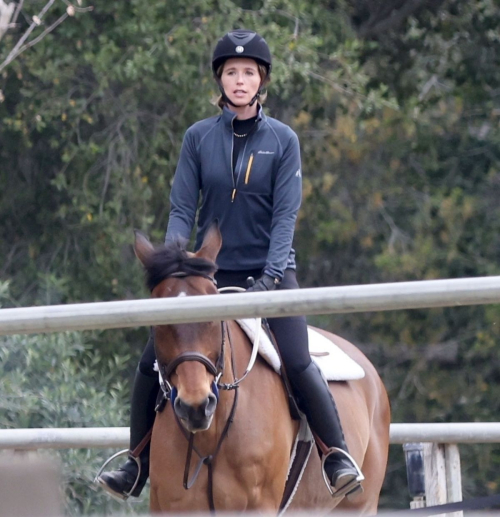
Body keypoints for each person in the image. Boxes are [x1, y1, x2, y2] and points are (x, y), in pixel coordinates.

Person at [97, 29, 361, 500]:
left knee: (298, 361)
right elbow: (182, 208)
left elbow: (285, 216)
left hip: (272, 274)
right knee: (149, 363)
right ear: (220, 81)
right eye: (232, 73)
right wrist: (179, 264)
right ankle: (135, 463)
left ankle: (335, 453)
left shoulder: (284, 140)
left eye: (249, 73)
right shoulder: (198, 138)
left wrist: (271, 277)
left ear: (262, 82)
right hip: (207, 276)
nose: (240, 81)